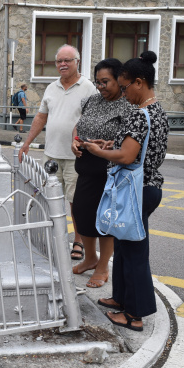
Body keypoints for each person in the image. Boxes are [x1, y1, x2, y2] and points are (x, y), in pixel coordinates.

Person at [80, 51, 169, 332]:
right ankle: (120, 299)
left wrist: (97, 151)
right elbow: (136, 149)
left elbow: (129, 157)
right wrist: (110, 143)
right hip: (145, 188)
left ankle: (134, 314)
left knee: (133, 254)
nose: (123, 92)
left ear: (139, 83)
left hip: (136, 191)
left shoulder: (140, 115)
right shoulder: (157, 112)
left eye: (125, 86)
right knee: (124, 246)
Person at [18, 44, 98, 261]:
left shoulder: (89, 88)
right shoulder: (51, 88)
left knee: (76, 203)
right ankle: (55, 237)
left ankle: (78, 241)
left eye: (67, 60)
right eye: (59, 61)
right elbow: (41, 117)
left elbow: (93, 120)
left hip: (77, 157)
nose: (62, 64)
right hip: (51, 155)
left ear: (77, 62)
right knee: (49, 198)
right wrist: (27, 143)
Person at [71, 58, 135, 288]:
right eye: (98, 82)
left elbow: (131, 141)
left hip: (109, 172)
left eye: (106, 82)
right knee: (81, 213)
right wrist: (75, 141)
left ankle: (103, 266)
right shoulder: (91, 101)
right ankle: (90, 258)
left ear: (119, 79)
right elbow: (79, 126)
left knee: (105, 220)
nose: (101, 87)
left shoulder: (129, 106)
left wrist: (111, 144)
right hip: (86, 169)